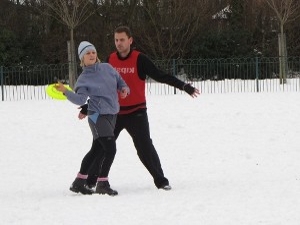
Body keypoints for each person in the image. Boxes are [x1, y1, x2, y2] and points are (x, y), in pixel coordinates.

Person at [80, 26, 200, 191]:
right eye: (116, 40)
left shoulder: (140, 59)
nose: (119, 43)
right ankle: (90, 181)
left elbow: (160, 75)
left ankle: (161, 181)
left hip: (137, 113)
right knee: (101, 146)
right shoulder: (110, 60)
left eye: (122, 40)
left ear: (130, 40)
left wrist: (183, 86)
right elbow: (99, 87)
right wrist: (87, 107)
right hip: (112, 113)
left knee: (145, 148)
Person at [55, 41, 129, 196]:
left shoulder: (107, 68)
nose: (91, 55)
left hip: (112, 114)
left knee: (96, 150)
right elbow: (80, 100)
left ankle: (79, 182)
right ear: (82, 58)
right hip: (96, 115)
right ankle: (102, 183)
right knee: (110, 148)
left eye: (93, 52)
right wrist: (65, 91)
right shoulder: (84, 78)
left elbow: (120, 81)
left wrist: (123, 89)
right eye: (87, 53)